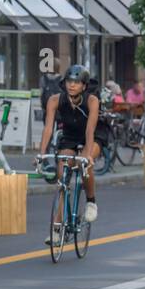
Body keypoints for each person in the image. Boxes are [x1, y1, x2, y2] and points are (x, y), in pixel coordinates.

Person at [35, 65, 109, 231]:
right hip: (70, 135)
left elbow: (90, 129)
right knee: (62, 174)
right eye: (69, 81)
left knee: (84, 163)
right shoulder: (54, 100)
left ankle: (91, 202)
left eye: (76, 82)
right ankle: (57, 225)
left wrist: (88, 155)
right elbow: (48, 128)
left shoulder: (92, 100)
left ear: (84, 85)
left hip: (94, 134)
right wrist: (41, 154)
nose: (72, 85)